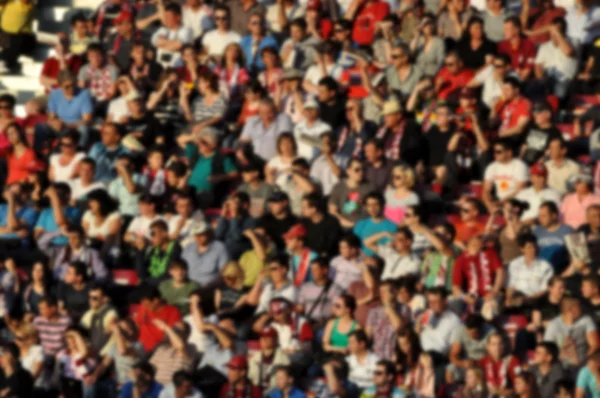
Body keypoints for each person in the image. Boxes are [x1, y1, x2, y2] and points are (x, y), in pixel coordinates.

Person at [544, 296, 599, 368]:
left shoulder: (586, 320)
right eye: (579, 306)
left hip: (584, 362)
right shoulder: (554, 325)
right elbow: (547, 348)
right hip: (561, 364)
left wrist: (584, 362)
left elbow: (595, 344)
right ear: (572, 309)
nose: (582, 308)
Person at [181, 220, 229, 286]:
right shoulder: (189, 247)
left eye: (201, 234)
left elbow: (224, 272)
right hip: (189, 285)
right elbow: (181, 268)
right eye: (196, 235)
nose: (198, 237)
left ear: (208, 233)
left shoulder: (219, 247)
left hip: (209, 287)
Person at [151, 3, 194, 68]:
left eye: (169, 17)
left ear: (178, 17)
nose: (166, 19)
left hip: (178, 66)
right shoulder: (162, 30)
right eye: (166, 17)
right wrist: (173, 43)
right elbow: (155, 41)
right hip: (160, 66)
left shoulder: (186, 30)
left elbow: (180, 45)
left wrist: (162, 45)